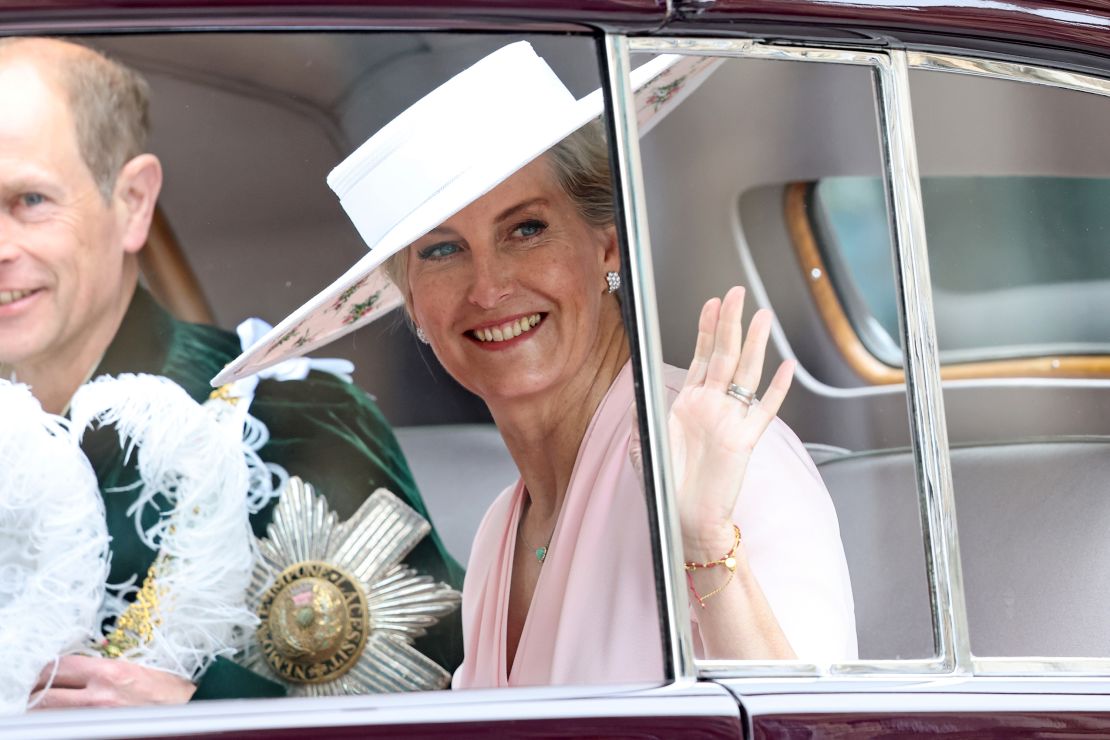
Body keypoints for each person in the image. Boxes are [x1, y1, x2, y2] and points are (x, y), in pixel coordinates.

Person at [222, 42, 856, 688]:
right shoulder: (504, 530)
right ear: (413, 303)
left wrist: (704, 545)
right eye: (442, 250)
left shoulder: (727, 464)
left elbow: (817, 729)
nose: (488, 288)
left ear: (608, 243)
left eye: (525, 229)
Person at [0, 37, 462, 705]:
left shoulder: (291, 423)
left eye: (30, 201)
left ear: (132, 203)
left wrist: (197, 716)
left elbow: (436, 709)